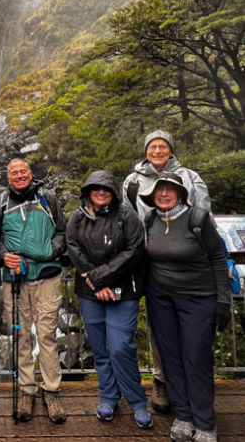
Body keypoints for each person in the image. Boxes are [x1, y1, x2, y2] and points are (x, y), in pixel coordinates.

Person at [122, 130, 211, 413]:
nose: (157, 151)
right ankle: (162, 379)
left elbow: (203, 214)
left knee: (192, 327)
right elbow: (125, 217)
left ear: (170, 150)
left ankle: (191, 384)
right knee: (159, 322)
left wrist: (200, 248)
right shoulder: (133, 181)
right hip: (148, 258)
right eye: (153, 146)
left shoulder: (189, 177)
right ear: (146, 150)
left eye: (162, 146)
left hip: (187, 257)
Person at [140, 173, 229, 442]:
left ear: (180, 194)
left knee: (196, 357)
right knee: (170, 358)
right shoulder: (150, 219)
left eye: (170, 190)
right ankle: (183, 415)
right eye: (159, 190)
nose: (164, 194)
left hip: (198, 297)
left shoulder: (198, 219)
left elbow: (217, 258)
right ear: (152, 194)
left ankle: (205, 422)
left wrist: (222, 299)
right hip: (160, 298)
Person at [66, 171, 153, 429]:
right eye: (96, 188)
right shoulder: (78, 216)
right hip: (90, 292)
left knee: (120, 347)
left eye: (106, 189)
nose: (101, 192)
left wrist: (102, 278)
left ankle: (137, 401)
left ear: (114, 192)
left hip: (123, 290)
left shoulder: (127, 216)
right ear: (88, 191)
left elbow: (134, 249)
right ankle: (108, 396)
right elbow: (72, 245)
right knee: (101, 349)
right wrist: (96, 281)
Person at [0, 158, 67, 424]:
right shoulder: (0, 202)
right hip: (15, 277)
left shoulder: (47, 198)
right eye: (14, 173)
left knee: (47, 334)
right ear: (8, 177)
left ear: (30, 173)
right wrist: (4, 256)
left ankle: (51, 390)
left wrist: (53, 250)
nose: (19, 176)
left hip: (47, 275)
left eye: (22, 171)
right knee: (20, 335)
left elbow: (62, 231)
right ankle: (26, 390)